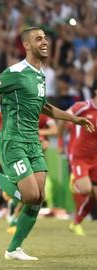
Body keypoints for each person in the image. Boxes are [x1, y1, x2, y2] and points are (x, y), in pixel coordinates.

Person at [0, 27, 95, 261]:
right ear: (26, 45)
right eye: (38, 39)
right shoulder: (15, 72)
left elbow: (45, 107)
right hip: (14, 141)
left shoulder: (40, 75)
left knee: (39, 196)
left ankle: (13, 249)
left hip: (33, 141)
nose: (44, 42)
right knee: (29, 195)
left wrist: (74, 119)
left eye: (45, 38)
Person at [66, 80, 97, 236]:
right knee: (86, 189)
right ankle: (76, 183)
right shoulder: (82, 106)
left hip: (95, 157)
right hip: (80, 156)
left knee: (95, 193)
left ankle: (76, 222)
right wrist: (59, 141)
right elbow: (64, 117)